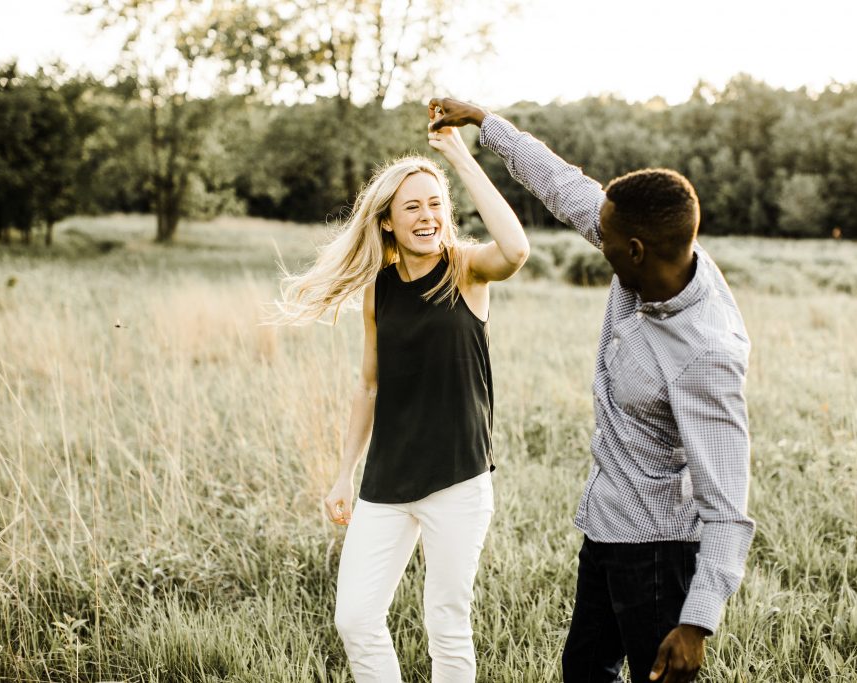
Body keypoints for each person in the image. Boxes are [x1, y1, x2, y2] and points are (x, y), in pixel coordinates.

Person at [429, 97, 755, 683]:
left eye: (602, 239)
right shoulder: (646, 251)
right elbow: (561, 185)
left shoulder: (707, 355)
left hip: (657, 552)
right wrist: (485, 123)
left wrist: (697, 624)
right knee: (583, 670)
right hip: (606, 528)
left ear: (634, 249)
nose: (592, 240)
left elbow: (728, 508)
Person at [271, 119, 527, 681]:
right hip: (387, 480)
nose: (427, 216)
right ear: (386, 219)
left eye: (435, 204)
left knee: (447, 623)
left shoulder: (465, 270)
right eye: (411, 207)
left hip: (458, 479)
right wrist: (344, 474)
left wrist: (460, 157)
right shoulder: (378, 289)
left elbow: (515, 249)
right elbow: (368, 385)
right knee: (356, 618)